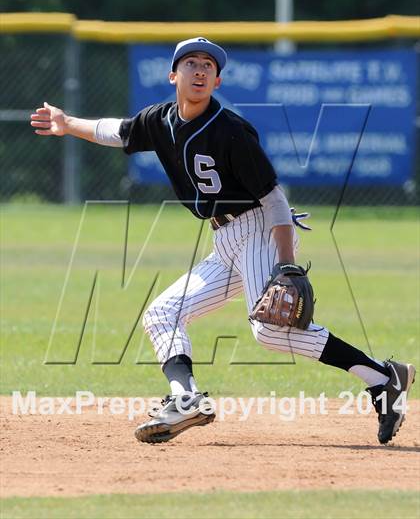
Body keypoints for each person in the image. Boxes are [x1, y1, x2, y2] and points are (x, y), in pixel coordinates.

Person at [31, 37, 415, 445]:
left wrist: (285, 264)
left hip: (259, 229)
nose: (199, 70)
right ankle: (186, 398)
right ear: (173, 75)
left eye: (208, 66)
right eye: (191, 63)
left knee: (266, 331)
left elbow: (275, 200)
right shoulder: (159, 121)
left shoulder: (231, 131)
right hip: (225, 239)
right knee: (162, 315)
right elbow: (118, 131)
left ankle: (379, 377)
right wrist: (67, 123)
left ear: (216, 81)